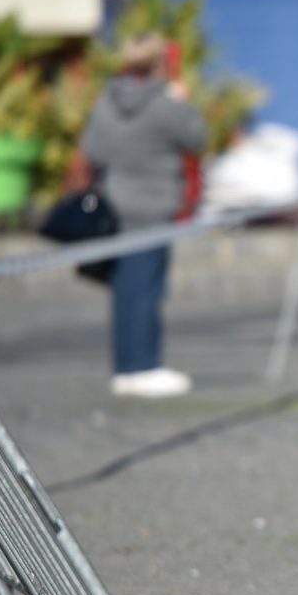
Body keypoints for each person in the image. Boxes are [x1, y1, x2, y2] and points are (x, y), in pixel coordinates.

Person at [81, 33, 208, 398]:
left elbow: (94, 150)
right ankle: (144, 367)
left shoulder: (106, 100)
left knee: (125, 290)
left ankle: (125, 367)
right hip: (155, 207)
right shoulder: (166, 103)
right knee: (147, 290)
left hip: (116, 205)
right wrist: (183, 103)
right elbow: (196, 138)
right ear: (159, 64)